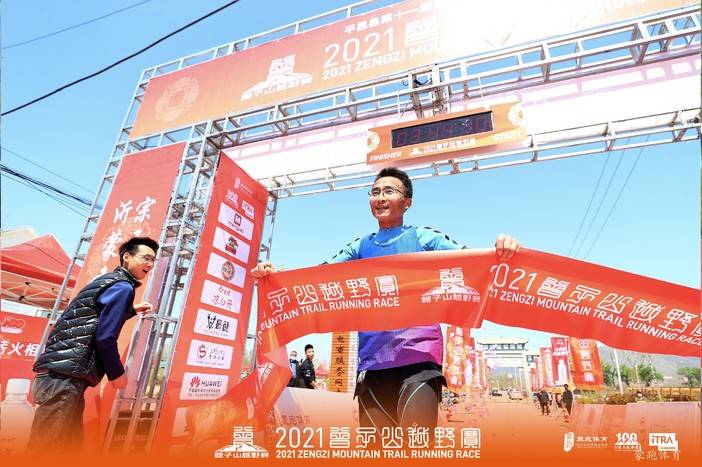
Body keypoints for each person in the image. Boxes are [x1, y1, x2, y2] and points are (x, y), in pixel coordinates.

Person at [251, 167, 520, 435]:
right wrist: (275, 277)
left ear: (407, 202)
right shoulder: (359, 247)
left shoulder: (424, 237)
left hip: (419, 361)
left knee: (416, 448)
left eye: (388, 191)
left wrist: (501, 249)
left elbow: (473, 261)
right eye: (375, 192)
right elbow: (317, 277)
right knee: (378, 453)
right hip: (373, 366)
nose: (380, 197)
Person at [27, 237, 159, 453]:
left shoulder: (108, 281)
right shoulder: (123, 287)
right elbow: (104, 337)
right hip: (66, 378)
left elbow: (91, 317)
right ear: (127, 257)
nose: (150, 264)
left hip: (58, 374)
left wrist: (130, 310)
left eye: (153, 260)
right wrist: (117, 374)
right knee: (46, 451)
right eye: (145, 258)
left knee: (67, 449)